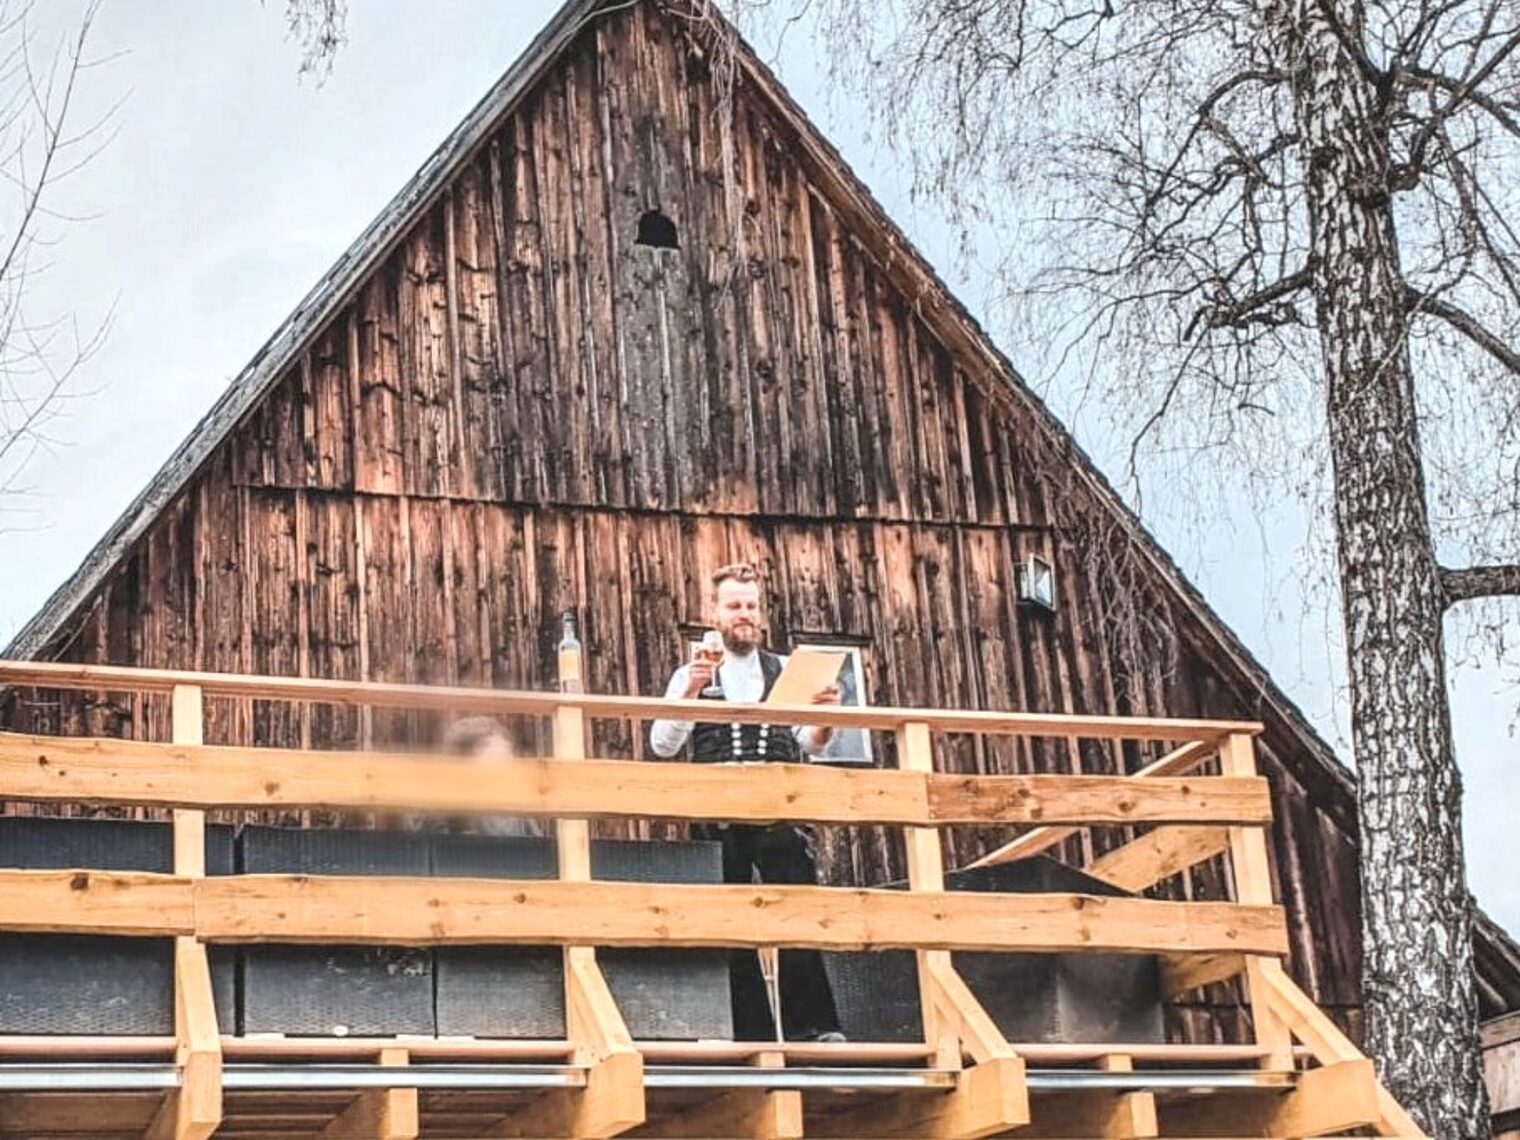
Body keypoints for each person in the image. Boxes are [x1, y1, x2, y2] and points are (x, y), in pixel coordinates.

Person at [649, 562, 847, 1043]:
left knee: (796, 910)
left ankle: (814, 1027)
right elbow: (662, 744)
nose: (744, 614)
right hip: (717, 814)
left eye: (751, 606)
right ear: (714, 613)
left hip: (776, 808)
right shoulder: (690, 672)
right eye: (734, 605)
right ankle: (747, 1031)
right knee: (729, 921)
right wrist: (692, 691)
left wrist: (827, 717)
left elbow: (811, 741)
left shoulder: (784, 671)